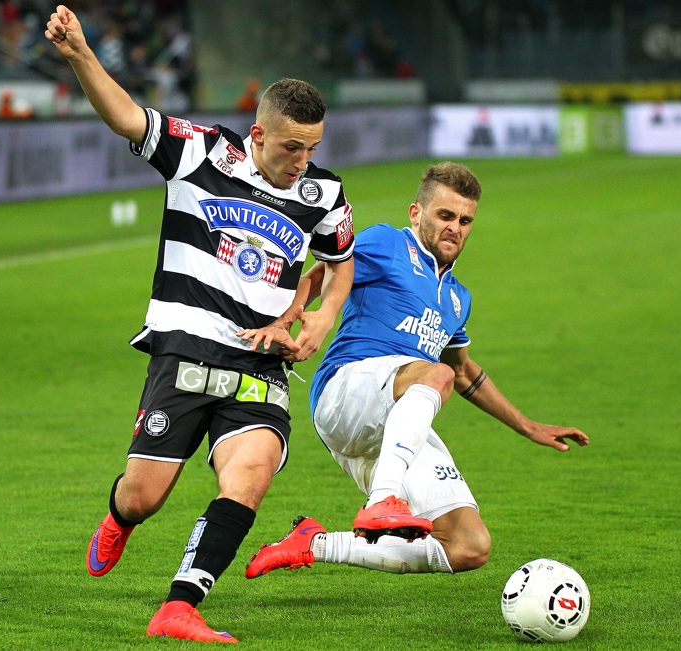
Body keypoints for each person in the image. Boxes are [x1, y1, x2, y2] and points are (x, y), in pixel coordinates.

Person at [44, 5, 355, 644]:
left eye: (313, 148)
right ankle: (118, 520)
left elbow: (338, 261)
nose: (302, 160)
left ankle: (180, 605)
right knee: (142, 497)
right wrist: (79, 53)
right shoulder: (200, 152)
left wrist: (317, 317)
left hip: (258, 364)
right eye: (291, 146)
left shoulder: (323, 194)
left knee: (252, 474)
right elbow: (128, 116)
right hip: (184, 354)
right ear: (258, 135)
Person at [244, 162, 589, 580]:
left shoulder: (458, 299)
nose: (455, 228)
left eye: (465, 220)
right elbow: (321, 275)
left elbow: (462, 373)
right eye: (445, 216)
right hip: (346, 390)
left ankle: (313, 543)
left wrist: (527, 426)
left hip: (394, 423)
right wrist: (295, 318)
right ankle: (382, 499)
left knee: (468, 546)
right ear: (416, 213)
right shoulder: (389, 244)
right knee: (434, 374)